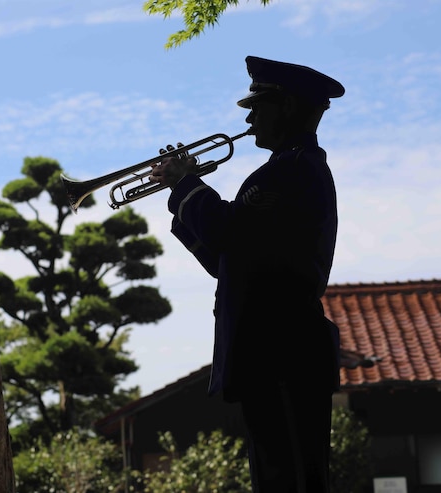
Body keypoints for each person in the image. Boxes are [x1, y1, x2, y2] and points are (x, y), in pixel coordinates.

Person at [149, 56, 344, 493]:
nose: (250, 118)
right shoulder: (292, 168)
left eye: (258, 107)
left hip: (281, 350)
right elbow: (230, 262)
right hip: (273, 353)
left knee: (290, 479)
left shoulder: (289, 171)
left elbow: (227, 234)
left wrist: (185, 184)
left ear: (288, 107)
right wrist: (186, 194)